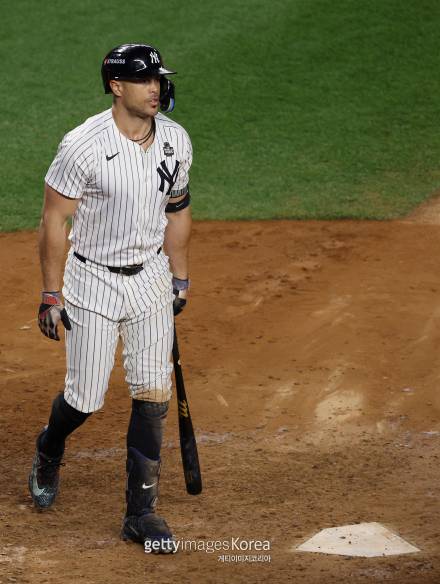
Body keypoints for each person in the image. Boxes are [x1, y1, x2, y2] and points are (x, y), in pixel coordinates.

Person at [28, 43, 193, 554]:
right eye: (145, 81)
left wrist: (179, 279)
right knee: (85, 398)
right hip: (92, 280)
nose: (156, 89)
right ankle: (49, 447)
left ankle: (140, 514)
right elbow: (54, 220)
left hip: (150, 279)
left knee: (153, 393)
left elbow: (179, 208)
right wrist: (50, 293)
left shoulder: (176, 140)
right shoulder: (83, 144)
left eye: (159, 80)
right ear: (116, 86)